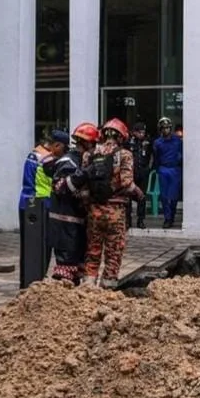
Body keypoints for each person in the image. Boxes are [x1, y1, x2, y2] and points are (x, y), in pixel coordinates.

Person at [81, 118, 140, 288]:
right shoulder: (125, 155)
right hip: (115, 211)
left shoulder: (89, 155)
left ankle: (88, 287)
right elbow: (127, 184)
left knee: (92, 251)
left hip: (94, 211)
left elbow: (84, 189)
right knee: (113, 253)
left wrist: (90, 206)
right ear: (122, 137)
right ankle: (107, 290)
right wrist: (139, 194)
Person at [49, 124, 98, 283]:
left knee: (79, 266)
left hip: (78, 223)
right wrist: (84, 174)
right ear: (87, 143)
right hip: (65, 223)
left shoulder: (85, 160)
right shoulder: (68, 161)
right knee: (66, 267)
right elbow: (61, 188)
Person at [152, 116, 183, 229]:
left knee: (174, 196)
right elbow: (156, 157)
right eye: (163, 128)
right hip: (163, 169)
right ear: (160, 129)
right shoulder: (157, 143)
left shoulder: (177, 141)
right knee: (164, 196)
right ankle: (167, 218)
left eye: (167, 128)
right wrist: (157, 170)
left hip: (175, 169)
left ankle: (172, 215)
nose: (165, 130)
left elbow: (181, 154)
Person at [125, 122, 152, 229]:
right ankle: (128, 220)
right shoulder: (128, 142)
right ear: (134, 132)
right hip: (131, 172)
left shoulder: (147, 142)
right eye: (140, 132)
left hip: (143, 172)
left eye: (143, 132)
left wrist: (149, 168)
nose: (142, 134)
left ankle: (140, 220)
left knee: (142, 197)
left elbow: (152, 155)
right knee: (128, 197)